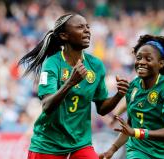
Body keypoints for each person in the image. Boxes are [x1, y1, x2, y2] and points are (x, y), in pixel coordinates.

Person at [18, 13, 129, 159]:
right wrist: (70, 83)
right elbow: (47, 105)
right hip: (49, 144)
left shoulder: (96, 65)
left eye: (88, 27)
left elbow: (102, 108)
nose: (87, 30)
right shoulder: (52, 63)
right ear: (64, 36)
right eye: (80, 27)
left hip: (80, 143)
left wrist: (118, 95)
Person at [99, 34, 164, 159]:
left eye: (148, 59)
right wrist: (111, 150)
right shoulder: (133, 87)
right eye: (138, 58)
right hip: (137, 151)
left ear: (160, 63)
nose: (141, 62)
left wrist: (136, 132)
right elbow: (130, 127)